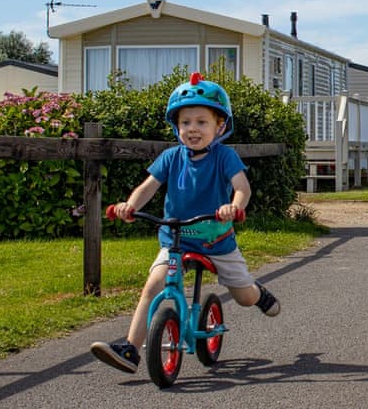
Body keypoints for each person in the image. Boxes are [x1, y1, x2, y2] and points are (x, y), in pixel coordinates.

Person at [91, 72, 280, 373]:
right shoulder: (170, 157)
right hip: (176, 239)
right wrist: (130, 205)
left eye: (201, 122)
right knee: (153, 286)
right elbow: (148, 186)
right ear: (176, 126)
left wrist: (234, 206)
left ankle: (259, 293)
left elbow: (242, 186)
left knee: (242, 297)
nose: (193, 129)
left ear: (220, 127)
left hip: (216, 240)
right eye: (185, 123)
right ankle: (129, 349)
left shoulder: (224, 157)